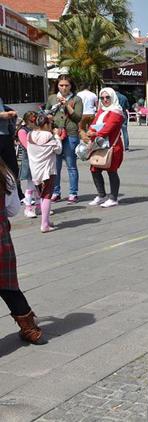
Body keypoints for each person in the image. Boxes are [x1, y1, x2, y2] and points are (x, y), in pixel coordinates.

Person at [0, 157, 45, 344]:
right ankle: (30, 329)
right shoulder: (5, 174)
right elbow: (12, 210)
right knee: (9, 287)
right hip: (1, 240)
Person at [45, 75, 83, 204]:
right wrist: (50, 117)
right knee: (56, 166)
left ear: (71, 86)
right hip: (55, 135)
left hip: (71, 134)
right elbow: (46, 115)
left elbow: (77, 118)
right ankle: (56, 192)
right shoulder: (52, 98)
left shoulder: (76, 99)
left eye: (66, 85)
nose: (64, 88)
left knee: (71, 166)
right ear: (57, 86)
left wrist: (66, 104)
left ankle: (73, 193)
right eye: (61, 85)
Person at [86, 88, 125, 208]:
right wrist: (91, 131)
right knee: (95, 169)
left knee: (111, 170)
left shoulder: (116, 112)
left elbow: (108, 128)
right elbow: (94, 124)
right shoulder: (101, 110)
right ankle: (101, 195)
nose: (105, 100)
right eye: (102, 98)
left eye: (107, 97)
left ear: (113, 97)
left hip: (112, 146)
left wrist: (94, 134)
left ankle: (113, 197)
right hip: (99, 145)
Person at [28, 113, 62, 232]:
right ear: (46, 124)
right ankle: (44, 225)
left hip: (35, 170)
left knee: (42, 196)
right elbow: (58, 150)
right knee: (47, 196)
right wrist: (57, 136)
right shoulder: (49, 135)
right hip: (47, 170)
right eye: (50, 124)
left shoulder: (29, 134)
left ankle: (46, 220)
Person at [16, 112, 38, 218]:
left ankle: (38, 206)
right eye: (33, 120)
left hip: (38, 160)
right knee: (31, 185)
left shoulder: (36, 129)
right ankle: (28, 207)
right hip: (29, 161)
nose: (35, 122)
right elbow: (27, 146)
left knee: (39, 185)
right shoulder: (22, 131)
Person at [0, 97, 18, 182]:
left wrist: (9, 113)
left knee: (12, 168)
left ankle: (17, 193)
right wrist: (2, 115)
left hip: (6, 135)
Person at [112, 86, 131, 151]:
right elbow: (128, 106)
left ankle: (116, 145)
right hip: (123, 113)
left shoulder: (112, 97)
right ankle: (126, 147)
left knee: (115, 131)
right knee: (125, 131)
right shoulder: (124, 97)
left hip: (115, 114)